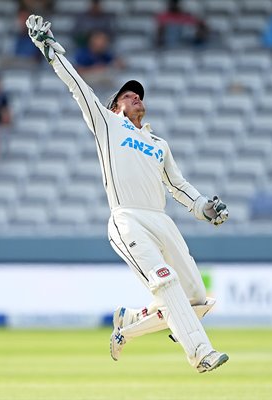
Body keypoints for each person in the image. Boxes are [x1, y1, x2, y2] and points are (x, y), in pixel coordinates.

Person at [26, 15, 229, 373]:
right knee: (165, 284)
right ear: (115, 106)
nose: (136, 97)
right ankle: (201, 354)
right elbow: (77, 86)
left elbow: (179, 186)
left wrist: (203, 208)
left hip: (162, 220)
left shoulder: (158, 142)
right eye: (128, 95)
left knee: (198, 299)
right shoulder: (107, 125)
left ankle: (130, 323)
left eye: (138, 95)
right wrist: (48, 46)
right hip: (127, 218)